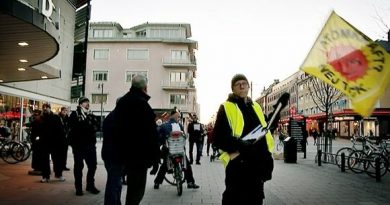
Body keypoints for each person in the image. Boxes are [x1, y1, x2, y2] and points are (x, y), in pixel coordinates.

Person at [213, 74, 274, 205]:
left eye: (244, 83)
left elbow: (264, 131)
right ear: (233, 89)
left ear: (248, 87)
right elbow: (218, 138)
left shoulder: (256, 107)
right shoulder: (226, 107)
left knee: (256, 199)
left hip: (257, 165)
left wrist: (277, 112)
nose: (241, 86)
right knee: (234, 199)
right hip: (238, 165)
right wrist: (240, 144)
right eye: (237, 84)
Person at [113, 75, 160, 205]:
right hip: (139, 157)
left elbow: (116, 128)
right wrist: (156, 159)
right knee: (137, 190)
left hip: (123, 154)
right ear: (145, 87)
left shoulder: (122, 102)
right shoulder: (143, 105)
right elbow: (151, 134)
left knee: (131, 188)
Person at [152, 109, 200, 190]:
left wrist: (160, 146)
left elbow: (159, 138)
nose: (179, 117)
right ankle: (190, 182)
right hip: (179, 149)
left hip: (169, 150)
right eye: (177, 116)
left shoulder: (164, 125)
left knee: (164, 166)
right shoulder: (177, 125)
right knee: (187, 165)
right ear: (172, 115)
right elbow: (183, 136)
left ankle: (157, 182)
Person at [68, 97, 100, 196]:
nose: (87, 104)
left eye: (88, 102)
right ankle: (78, 188)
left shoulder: (90, 114)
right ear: (81, 104)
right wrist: (87, 125)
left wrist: (88, 124)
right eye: (85, 102)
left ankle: (90, 185)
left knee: (93, 166)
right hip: (78, 145)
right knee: (78, 167)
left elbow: (97, 126)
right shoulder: (75, 114)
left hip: (90, 145)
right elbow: (75, 127)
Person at [39, 103, 67, 183]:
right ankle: (45, 176)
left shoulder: (55, 117)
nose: (45, 109)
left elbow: (60, 130)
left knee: (57, 159)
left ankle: (58, 174)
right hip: (44, 142)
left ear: (49, 108)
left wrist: (62, 141)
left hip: (55, 142)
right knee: (44, 160)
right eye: (43, 107)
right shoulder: (41, 118)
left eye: (46, 107)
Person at [102, 104, 124, 205]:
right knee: (113, 183)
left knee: (116, 183)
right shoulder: (116, 117)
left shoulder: (113, 115)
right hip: (114, 156)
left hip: (111, 154)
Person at [59, 107, 70, 171]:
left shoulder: (67, 118)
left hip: (65, 138)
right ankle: (59, 165)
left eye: (66, 111)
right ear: (61, 111)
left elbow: (68, 126)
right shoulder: (58, 117)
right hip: (59, 138)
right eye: (64, 111)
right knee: (59, 153)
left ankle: (64, 165)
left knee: (64, 153)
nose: (65, 112)